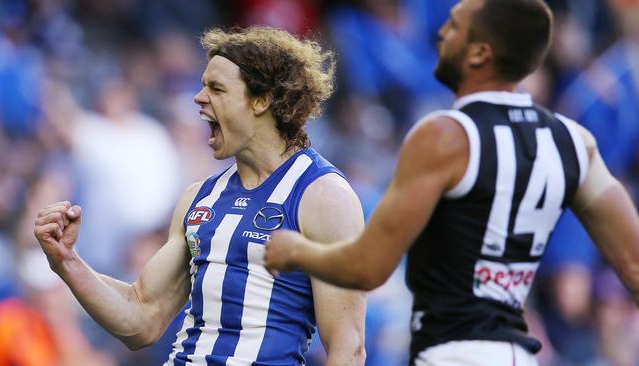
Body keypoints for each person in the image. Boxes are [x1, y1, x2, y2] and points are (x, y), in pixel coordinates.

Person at [264, 0, 639, 365]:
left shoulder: (443, 136)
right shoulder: (576, 144)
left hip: (453, 352)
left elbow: (368, 267)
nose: (440, 31)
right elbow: (634, 265)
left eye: (455, 25)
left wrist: (295, 251)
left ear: (480, 53)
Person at [33, 26, 366, 366]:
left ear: (261, 100)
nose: (199, 97)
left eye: (216, 88)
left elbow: (347, 347)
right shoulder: (199, 198)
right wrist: (66, 259)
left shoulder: (324, 196)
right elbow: (141, 319)